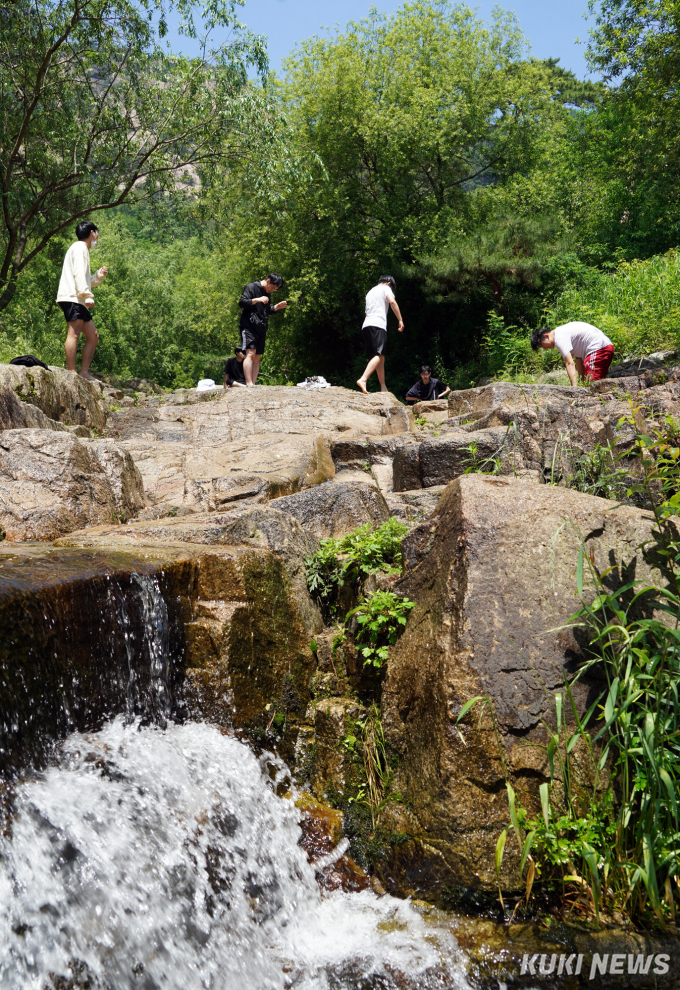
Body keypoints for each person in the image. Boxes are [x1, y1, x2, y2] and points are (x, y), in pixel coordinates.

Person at [56, 221, 108, 379]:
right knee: (74, 333)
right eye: (97, 234)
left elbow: (83, 279)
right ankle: (72, 372)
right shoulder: (80, 248)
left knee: (93, 336)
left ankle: (84, 373)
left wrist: (98, 276)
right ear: (93, 233)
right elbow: (79, 276)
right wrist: (87, 295)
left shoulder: (80, 249)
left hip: (79, 299)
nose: (97, 238)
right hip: (73, 298)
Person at [357, 275, 404, 394]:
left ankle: (383, 387)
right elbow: (392, 302)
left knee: (379, 358)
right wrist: (400, 320)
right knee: (380, 355)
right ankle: (363, 379)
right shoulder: (386, 288)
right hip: (378, 324)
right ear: (389, 283)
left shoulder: (370, 292)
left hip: (367, 325)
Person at [238, 274, 287, 386]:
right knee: (250, 352)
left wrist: (277, 307)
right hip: (248, 326)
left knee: (257, 355)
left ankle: (253, 384)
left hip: (261, 327)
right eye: (273, 287)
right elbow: (242, 302)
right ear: (268, 281)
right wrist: (256, 299)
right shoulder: (251, 287)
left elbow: (265, 311)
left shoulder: (267, 293)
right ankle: (249, 383)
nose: (273, 290)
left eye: (275, 289)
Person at [531, 321, 615, 384]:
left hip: (599, 348)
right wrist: (582, 384)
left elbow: (569, 363)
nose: (544, 348)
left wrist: (574, 390)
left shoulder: (558, 338)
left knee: (592, 384)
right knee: (591, 385)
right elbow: (579, 360)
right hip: (604, 347)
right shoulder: (562, 334)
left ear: (546, 336)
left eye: (542, 345)